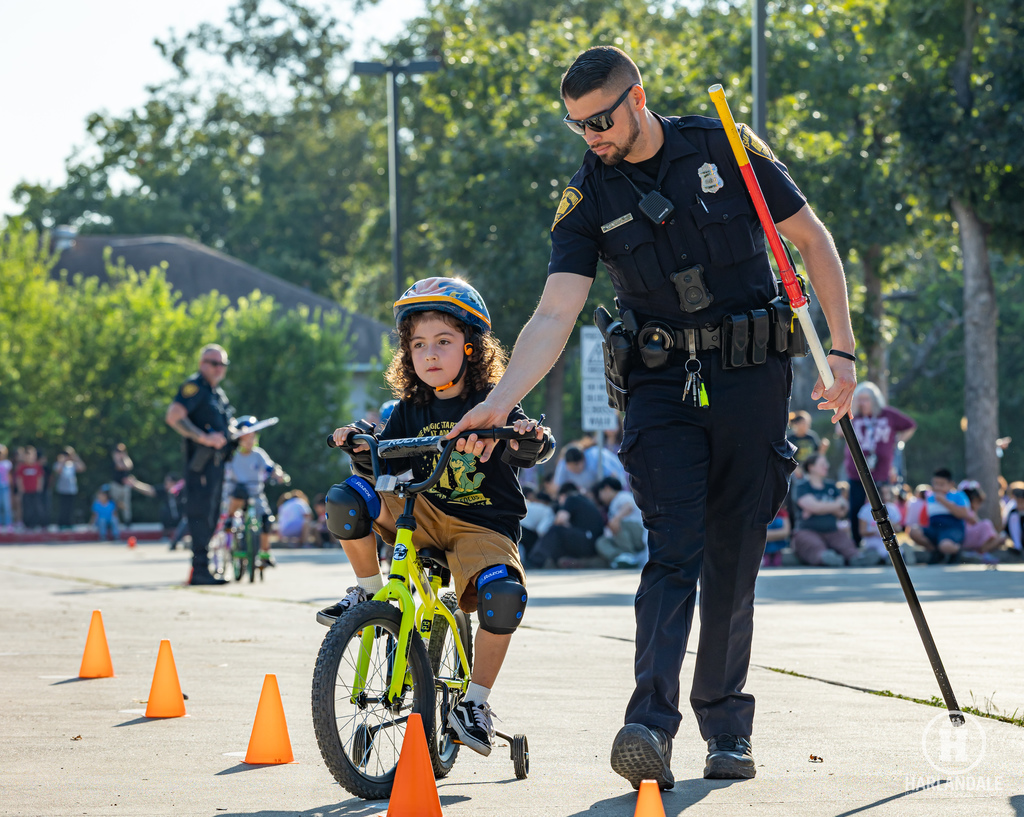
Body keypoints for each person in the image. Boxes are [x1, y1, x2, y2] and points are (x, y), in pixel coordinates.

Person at [447, 46, 858, 786]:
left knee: (734, 554)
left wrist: (844, 352)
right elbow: (556, 311)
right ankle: (649, 726)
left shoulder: (725, 146)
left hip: (752, 375)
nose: (591, 137)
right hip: (662, 384)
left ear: (637, 98)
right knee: (672, 549)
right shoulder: (587, 197)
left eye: (600, 120)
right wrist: (497, 401)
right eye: (577, 125)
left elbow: (812, 239)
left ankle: (727, 728)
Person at [318, 277, 554, 758]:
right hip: (420, 510)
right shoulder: (410, 408)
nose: (429, 354)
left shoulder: (492, 402)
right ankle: (368, 596)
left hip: (481, 526)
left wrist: (530, 436)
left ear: (470, 347)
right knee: (347, 498)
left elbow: (528, 447)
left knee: (504, 597)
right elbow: (385, 462)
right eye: (418, 344)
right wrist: (360, 444)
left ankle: (474, 704)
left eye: (443, 342)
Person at [165, 343, 234, 585]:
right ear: (201, 364)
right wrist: (203, 438)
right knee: (200, 514)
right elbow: (173, 416)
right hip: (200, 465)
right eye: (214, 363)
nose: (219, 368)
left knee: (212, 515)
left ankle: (204, 568)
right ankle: (199, 570)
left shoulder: (217, 393)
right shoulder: (194, 387)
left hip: (216, 464)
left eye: (222, 364)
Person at [840, 382, 916, 544]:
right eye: (859, 399)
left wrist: (898, 441)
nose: (862, 403)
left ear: (875, 400)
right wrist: (850, 409)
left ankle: (886, 542)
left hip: (881, 471)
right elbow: (839, 432)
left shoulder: (888, 415)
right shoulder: (853, 415)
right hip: (857, 471)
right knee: (856, 507)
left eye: (866, 399)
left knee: (881, 506)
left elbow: (910, 425)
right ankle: (857, 543)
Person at [222, 416, 287, 567]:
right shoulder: (233, 455)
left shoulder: (258, 454)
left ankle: (265, 553)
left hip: (255, 495)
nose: (249, 441)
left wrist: (278, 475)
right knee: (239, 492)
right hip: (236, 494)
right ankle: (230, 518)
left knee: (266, 520)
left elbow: (270, 467)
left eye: (252, 437)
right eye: (246, 437)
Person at [791, 454, 873, 566]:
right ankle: (826, 558)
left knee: (845, 543)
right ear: (811, 467)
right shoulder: (802, 486)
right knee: (813, 545)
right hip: (807, 530)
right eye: (822, 464)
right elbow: (816, 507)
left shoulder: (831, 486)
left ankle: (858, 558)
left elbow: (843, 509)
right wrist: (833, 506)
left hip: (832, 530)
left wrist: (816, 508)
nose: (827, 466)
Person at [527, 481, 606, 569]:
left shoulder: (572, 498)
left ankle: (534, 561)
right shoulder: (585, 501)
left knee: (555, 530)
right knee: (561, 534)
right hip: (592, 544)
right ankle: (555, 562)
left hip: (587, 540)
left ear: (562, 496)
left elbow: (560, 520)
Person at [909, 468, 972, 564]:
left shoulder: (958, 495)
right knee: (914, 531)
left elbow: (964, 514)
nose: (937, 487)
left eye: (941, 484)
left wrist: (944, 501)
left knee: (946, 546)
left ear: (951, 484)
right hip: (934, 529)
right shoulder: (930, 498)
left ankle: (957, 551)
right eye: (935, 484)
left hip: (952, 529)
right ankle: (937, 552)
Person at [594, 476, 646, 568]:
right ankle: (621, 557)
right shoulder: (612, 504)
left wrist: (616, 519)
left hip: (637, 534)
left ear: (607, 488)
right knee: (601, 541)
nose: (600, 496)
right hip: (624, 538)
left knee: (617, 523)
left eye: (600, 492)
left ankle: (628, 555)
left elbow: (628, 507)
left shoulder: (622, 495)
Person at [957, 481, 1003, 564]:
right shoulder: (966, 511)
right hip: (965, 538)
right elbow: (977, 522)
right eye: (977, 502)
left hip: (967, 537)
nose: (978, 505)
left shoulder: (966, 510)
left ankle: (983, 550)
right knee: (986, 524)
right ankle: (982, 551)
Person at [553, 441, 628, 492]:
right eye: (571, 468)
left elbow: (613, 477)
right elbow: (557, 488)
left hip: (620, 480)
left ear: (583, 460)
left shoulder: (594, 457)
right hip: (591, 490)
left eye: (575, 467)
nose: (574, 471)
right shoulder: (562, 464)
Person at [53, 447, 86, 529]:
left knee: (70, 508)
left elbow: (82, 468)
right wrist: (62, 461)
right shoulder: (58, 463)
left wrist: (75, 457)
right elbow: (58, 470)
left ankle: (69, 523)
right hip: (62, 489)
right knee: (62, 507)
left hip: (71, 490)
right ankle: (61, 523)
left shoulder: (72, 464)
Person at [15, 446, 46, 530]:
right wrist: (21, 489)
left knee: (37, 508)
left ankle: (38, 524)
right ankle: (28, 525)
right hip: (26, 491)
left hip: (35, 491)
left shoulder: (37, 466)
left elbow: (40, 477)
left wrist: (39, 487)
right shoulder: (22, 467)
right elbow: (19, 479)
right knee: (27, 509)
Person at [0, 444, 13, 529]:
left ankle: (8, 524)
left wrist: (11, 487)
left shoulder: (7, 463)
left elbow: (9, 476)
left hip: (5, 487)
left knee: (7, 506)